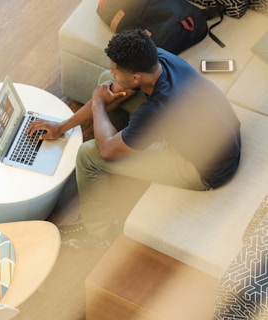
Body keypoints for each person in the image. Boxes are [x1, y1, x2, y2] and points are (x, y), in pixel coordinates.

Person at [28, 28, 241, 249]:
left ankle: (97, 234)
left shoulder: (157, 109)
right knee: (105, 83)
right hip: (219, 135)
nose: (112, 73)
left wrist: (99, 104)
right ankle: (124, 143)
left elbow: (106, 151)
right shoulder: (159, 58)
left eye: (115, 70)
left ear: (136, 77)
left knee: (88, 156)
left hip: (204, 169)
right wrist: (62, 127)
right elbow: (117, 87)